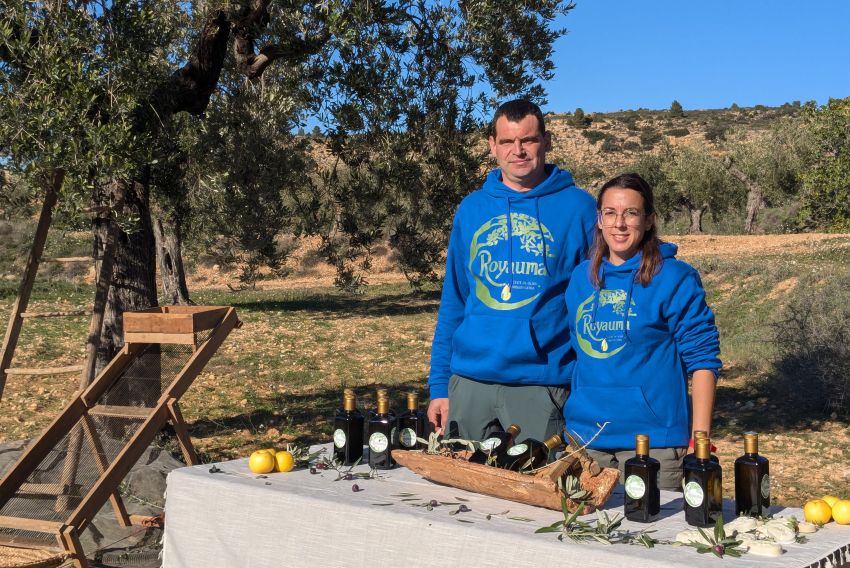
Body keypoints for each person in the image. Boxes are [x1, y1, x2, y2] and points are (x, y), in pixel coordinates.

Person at [426, 99, 597, 444]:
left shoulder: (579, 208)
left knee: (534, 494)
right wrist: (439, 385)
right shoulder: (472, 209)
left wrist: (588, 391)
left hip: (542, 385)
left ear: (546, 142)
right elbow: (454, 302)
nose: (518, 151)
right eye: (507, 142)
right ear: (492, 146)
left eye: (528, 140)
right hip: (470, 383)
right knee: (460, 491)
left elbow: (592, 305)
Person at [563, 172, 721, 490]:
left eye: (631, 213)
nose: (619, 224)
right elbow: (577, 355)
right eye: (611, 213)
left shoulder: (674, 277)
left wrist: (700, 443)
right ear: (599, 219)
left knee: (651, 535)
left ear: (648, 220)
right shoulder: (581, 278)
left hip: (654, 446)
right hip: (585, 443)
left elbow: (703, 361)